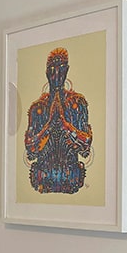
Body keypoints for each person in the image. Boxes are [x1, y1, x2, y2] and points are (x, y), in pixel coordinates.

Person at [24, 47, 93, 194]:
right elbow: (30, 148)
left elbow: (85, 146)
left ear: (66, 70)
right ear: (46, 73)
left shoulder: (77, 103)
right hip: (43, 179)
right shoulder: (38, 107)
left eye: (60, 69)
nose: (56, 75)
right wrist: (49, 125)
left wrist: (64, 124)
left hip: (71, 179)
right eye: (52, 70)